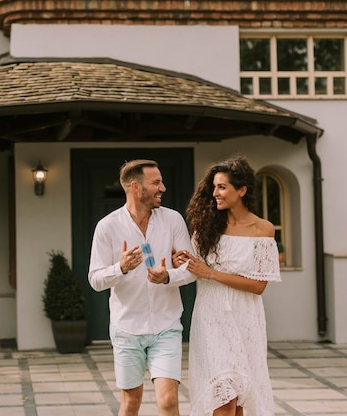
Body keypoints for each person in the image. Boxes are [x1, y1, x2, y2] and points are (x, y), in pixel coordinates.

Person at [174, 155, 281, 416]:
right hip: (211, 317)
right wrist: (182, 261)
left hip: (246, 318)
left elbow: (258, 286)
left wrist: (210, 273)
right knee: (223, 397)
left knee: (241, 398)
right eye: (214, 187)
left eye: (222, 187)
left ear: (242, 190)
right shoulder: (205, 227)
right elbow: (193, 269)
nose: (215, 193)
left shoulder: (263, 229)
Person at [88, 159, 196, 416]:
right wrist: (121, 268)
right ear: (136, 187)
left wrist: (167, 276)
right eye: (156, 182)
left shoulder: (173, 220)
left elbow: (190, 269)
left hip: (166, 325)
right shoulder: (107, 226)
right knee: (131, 403)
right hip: (127, 329)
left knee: (169, 401)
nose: (163, 188)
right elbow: (95, 279)